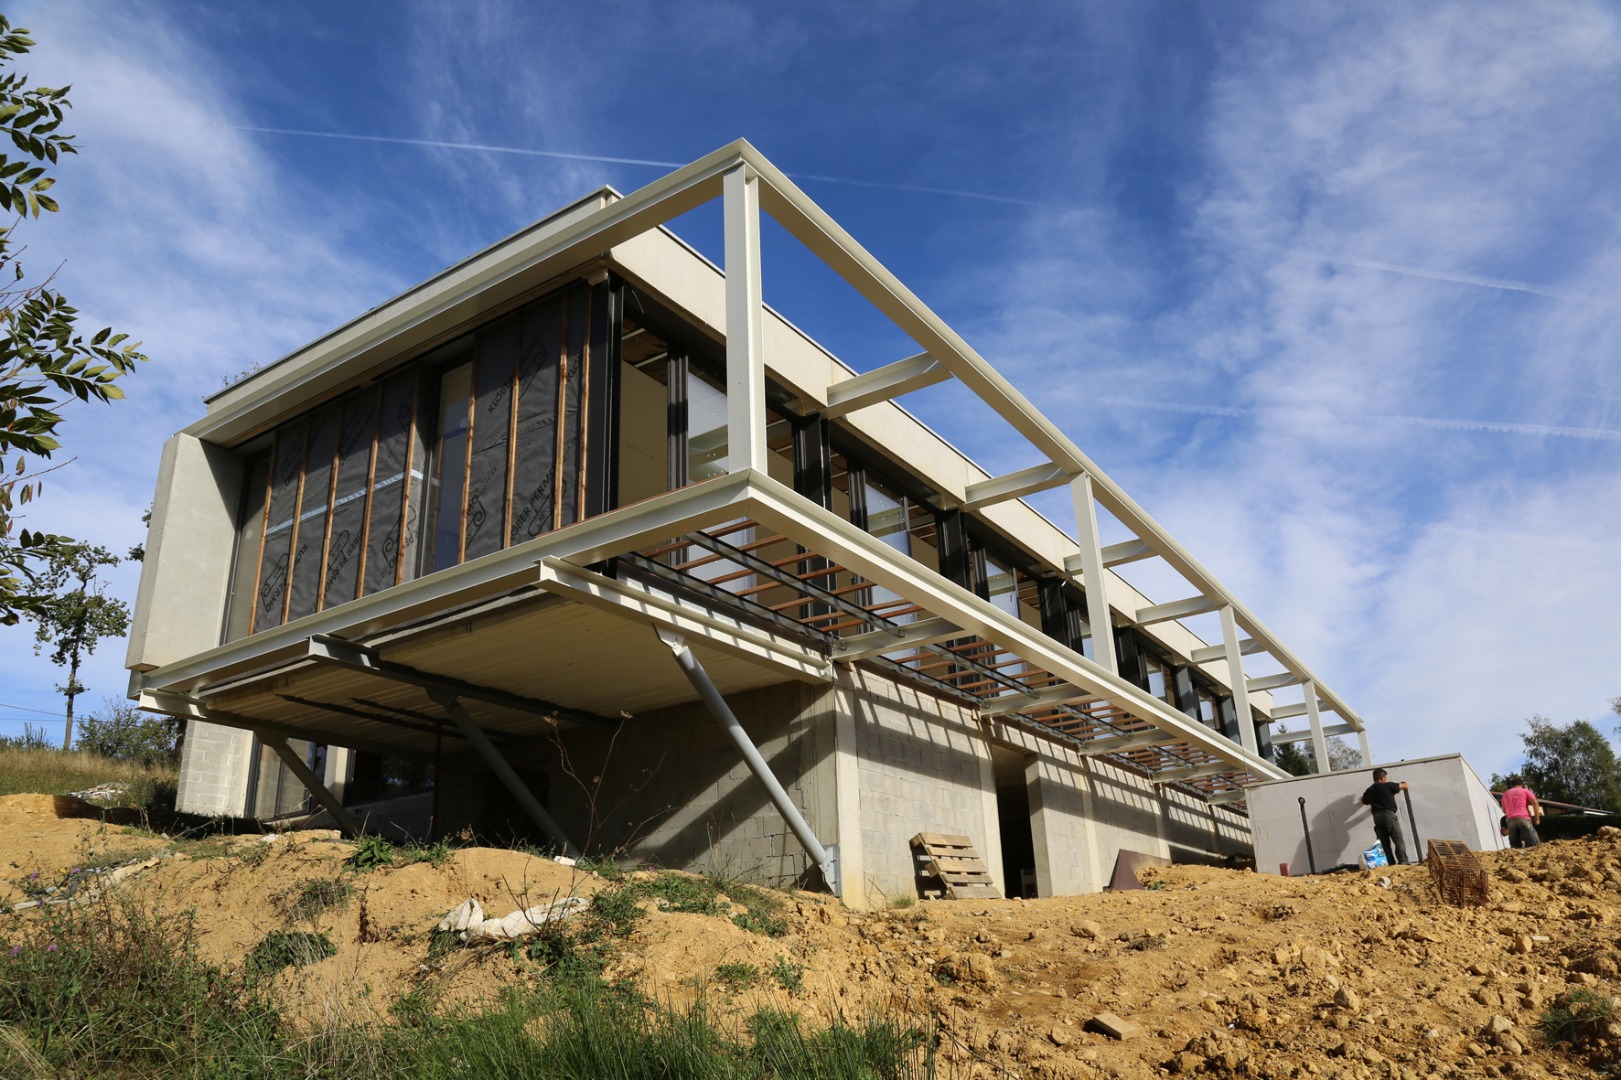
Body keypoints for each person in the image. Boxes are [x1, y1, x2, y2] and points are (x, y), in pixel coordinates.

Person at [1360, 768, 1409, 866]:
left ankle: (1390, 863)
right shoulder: (1388, 785)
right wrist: (1403, 783)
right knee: (1398, 839)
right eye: (1385, 777)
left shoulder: (1369, 790)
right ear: (1382, 778)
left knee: (1384, 843)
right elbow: (1404, 786)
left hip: (1377, 817)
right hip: (1388, 815)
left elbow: (1363, 801)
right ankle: (1403, 861)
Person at [1500, 775, 1542, 849]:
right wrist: (1537, 818)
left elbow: (1504, 810)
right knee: (1533, 844)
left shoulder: (1505, 794)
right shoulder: (1525, 791)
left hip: (1510, 820)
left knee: (1515, 846)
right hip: (1524, 818)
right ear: (1522, 785)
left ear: (1512, 785)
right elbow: (1535, 803)